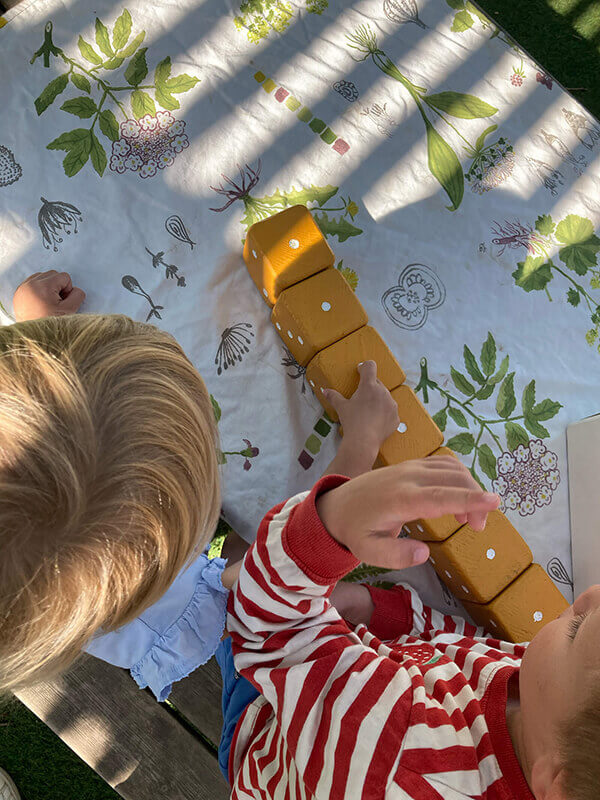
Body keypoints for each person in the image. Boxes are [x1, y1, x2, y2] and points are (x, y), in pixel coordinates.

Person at [0, 270, 410, 702]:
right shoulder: (141, 584)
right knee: (270, 570)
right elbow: (287, 565)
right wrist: (363, 441)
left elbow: (31, 456)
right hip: (249, 664)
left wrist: (46, 347)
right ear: (186, 534)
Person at [224, 455, 600, 797]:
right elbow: (470, 651)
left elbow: (269, 629)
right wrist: (374, 608)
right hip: (346, 698)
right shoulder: (544, 709)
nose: (590, 593)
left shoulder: (392, 754)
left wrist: (332, 520)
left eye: (578, 626)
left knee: (228, 565)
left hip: (270, 718)